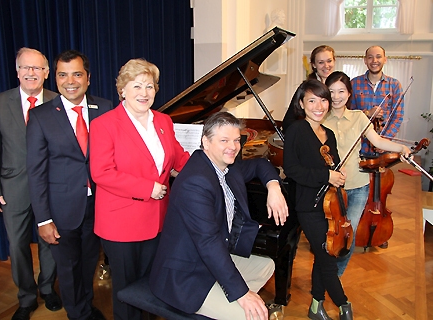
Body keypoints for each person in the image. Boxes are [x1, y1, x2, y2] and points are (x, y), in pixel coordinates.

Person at [150, 112, 289, 320]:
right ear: (205, 141)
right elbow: (209, 243)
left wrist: (274, 186)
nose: (232, 147)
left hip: (209, 259)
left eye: (236, 140)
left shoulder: (226, 166)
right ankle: (229, 303)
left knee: (267, 265)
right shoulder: (195, 182)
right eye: (224, 140)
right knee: (250, 315)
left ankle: (224, 298)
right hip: (186, 275)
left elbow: (261, 164)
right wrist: (242, 294)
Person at [89, 58, 190, 320]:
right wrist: (148, 188)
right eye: (136, 86)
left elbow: (179, 159)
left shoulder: (164, 121)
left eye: (149, 86)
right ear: (122, 89)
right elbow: (102, 172)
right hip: (121, 224)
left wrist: (213, 165)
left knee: (151, 286)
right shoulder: (104, 124)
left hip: (157, 221)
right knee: (126, 292)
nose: (144, 93)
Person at [26, 50, 112, 320]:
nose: (70, 81)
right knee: (68, 268)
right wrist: (43, 219)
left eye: (77, 74)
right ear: (56, 78)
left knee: (88, 263)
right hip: (61, 209)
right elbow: (36, 171)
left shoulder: (106, 108)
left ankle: (86, 306)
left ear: (88, 78)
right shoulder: (41, 116)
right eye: (62, 74)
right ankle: (77, 314)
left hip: (97, 204)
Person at [0, 47, 62, 320]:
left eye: (37, 68)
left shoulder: (58, 101)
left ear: (47, 73)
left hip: (51, 187)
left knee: (51, 242)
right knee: (17, 246)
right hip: (12, 188)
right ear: (17, 72)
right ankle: (26, 298)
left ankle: (48, 289)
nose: (31, 73)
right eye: (25, 68)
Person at [323, 71, 411, 276]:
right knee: (328, 237)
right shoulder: (321, 120)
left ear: (349, 93)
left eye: (341, 91)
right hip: (331, 188)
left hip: (358, 185)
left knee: (348, 236)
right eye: (331, 91)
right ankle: (324, 276)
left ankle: (336, 278)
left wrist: (401, 148)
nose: (336, 96)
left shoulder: (359, 116)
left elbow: (378, 141)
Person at [283, 79, 352, 320]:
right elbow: (291, 169)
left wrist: (338, 174)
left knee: (325, 255)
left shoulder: (329, 134)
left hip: (330, 206)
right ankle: (344, 305)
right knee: (326, 258)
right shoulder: (296, 130)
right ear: (301, 103)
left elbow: (333, 163)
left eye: (323, 99)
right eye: (312, 100)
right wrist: (326, 175)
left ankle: (316, 304)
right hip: (309, 206)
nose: (319, 105)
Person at [350, 45, 404, 155]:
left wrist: (384, 140)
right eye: (370, 57)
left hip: (385, 148)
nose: (374, 61)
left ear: (385, 59)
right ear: (365, 60)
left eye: (378, 57)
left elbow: (397, 116)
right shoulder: (354, 83)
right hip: (360, 146)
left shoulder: (394, 85)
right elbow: (350, 114)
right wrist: (367, 113)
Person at [282, 45, 336, 133]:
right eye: (321, 62)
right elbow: (288, 121)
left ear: (334, 61)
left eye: (329, 61)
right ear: (314, 65)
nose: (326, 66)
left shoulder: (340, 88)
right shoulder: (305, 88)